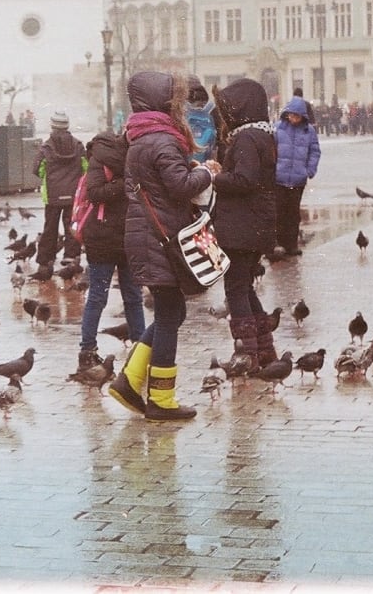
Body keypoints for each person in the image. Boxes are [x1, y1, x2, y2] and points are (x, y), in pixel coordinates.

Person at [108, 71, 218, 421]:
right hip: (162, 240)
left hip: (148, 238)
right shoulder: (162, 140)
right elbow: (180, 186)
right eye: (175, 99)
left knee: (172, 313)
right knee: (170, 316)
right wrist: (207, 172)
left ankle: (130, 380)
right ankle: (161, 399)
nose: (181, 105)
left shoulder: (140, 136)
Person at [211, 78, 279, 369]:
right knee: (245, 286)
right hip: (256, 224)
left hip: (242, 226)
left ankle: (246, 355)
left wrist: (215, 177)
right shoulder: (262, 134)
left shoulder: (245, 138)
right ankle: (263, 350)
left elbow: (245, 179)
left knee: (235, 290)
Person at [77, 130, 146, 367]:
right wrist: (124, 183)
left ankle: (140, 349)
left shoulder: (134, 159)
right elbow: (94, 194)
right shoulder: (100, 159)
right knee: (98, 296)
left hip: (127, 237)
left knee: (133, 296)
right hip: (102, 238)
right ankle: (87, 350)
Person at [30, 110, 85, 280]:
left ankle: (45, 264)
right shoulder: (78, 145)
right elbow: (86, 168)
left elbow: (36, 169)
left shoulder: (46, 147)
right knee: (71, 228)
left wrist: (50, 178)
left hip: (52, 196)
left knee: (50, 229)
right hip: (73, 195)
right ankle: (71, 259)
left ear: (52, 126)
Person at [274, 92, 321, 257]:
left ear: (302, 116)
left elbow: (315, 152)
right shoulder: (277, 129)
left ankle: (291, 244)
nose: (294, 118)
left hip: (298, 179)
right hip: (279, 179)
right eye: (291, 115)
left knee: (293, 214)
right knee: (279, 212)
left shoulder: (309, 132)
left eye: (297, 116)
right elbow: (271, 150)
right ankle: (278, 243)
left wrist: (309, 170)